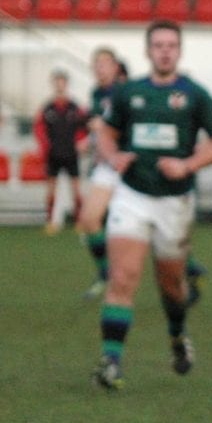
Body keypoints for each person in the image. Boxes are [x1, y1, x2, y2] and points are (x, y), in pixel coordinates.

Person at [92, 20, 212, 390]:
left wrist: (188, 164)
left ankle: (177, 335)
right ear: (148, 50)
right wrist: (112, 156)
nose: (165, 50)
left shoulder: (195, 95)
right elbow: (106, 132)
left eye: (171, 45)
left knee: (171, 287)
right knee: (122, 278)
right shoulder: (129, 93)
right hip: (132, 195)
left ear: (179, 51)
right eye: (158, 45)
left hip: (175, 203)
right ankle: (111, 362)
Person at [77, 49, 126, 298]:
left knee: (153, 227)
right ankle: (105, 273)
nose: (100, 68)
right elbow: (101, 128)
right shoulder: (96, 93)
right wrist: (90, 139)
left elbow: (127, 127)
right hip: (106, 166)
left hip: (127, 166)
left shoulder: (125, 92)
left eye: (105, 63)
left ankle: (188, 268)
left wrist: (103, 128)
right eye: (96, 64)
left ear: (116, 67)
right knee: (89, 219)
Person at [33, 68, 88, 235]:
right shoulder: (47, 108)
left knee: (76, 188)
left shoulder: (75, 107)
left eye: (62, 82)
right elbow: (39, 128)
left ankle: (79, 221)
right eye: (57, 82)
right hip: (53, 155)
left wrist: (81, 142)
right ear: (53, 84)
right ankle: (50, 221)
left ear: (66, 84)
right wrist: (44, 147)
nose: (60, 85)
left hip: (71, 153)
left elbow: (84, 127)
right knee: (51, 189)